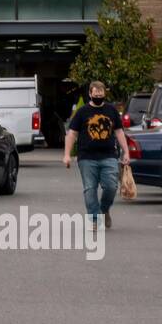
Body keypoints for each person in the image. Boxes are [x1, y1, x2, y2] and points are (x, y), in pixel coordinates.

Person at [62, 80, 129, 231]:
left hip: (109, 156)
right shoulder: (82, 112)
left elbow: (119, 131)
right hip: (87, 157)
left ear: (105, 93)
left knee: (111, 187)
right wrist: (67, 154)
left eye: (101, 93)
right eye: (96, 93)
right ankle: (94, 219)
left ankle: (104, 210)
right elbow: (72, 133)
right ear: (90, 94)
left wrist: (126, 151)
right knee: (89, 189)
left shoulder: (111, 110)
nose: (99, 95)